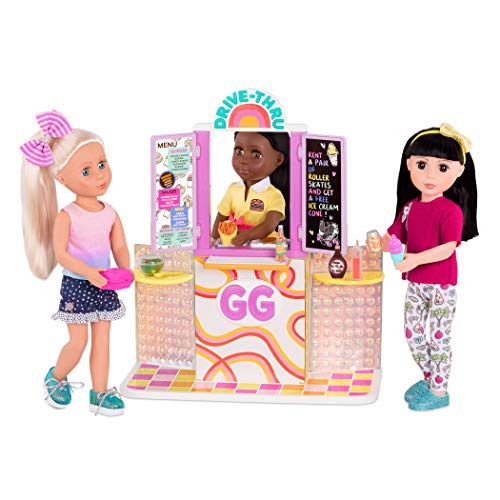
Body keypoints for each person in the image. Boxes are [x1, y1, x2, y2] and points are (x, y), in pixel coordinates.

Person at [20, 110, 130, 416]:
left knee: (103, 341)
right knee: (78, 341)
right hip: (77, 285)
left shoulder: (110, 212)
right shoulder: (67, 215)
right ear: (62, 179)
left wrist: (126, 269)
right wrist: (88, 272)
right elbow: (62, 255)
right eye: (86, 171)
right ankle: (56, 377)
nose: (99, 175)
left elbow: (119, 245)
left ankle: (99, 392)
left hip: (104, 283)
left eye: (102, 164)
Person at [383, 123, 478, 411]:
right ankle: (430, 379)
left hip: (441, 285)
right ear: (409, 165)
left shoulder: (450, 210)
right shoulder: (410, 207)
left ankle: (439, 390)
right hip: (416, 283)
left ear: (458, 171)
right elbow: (393, 236)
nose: (430, 175)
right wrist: (381, 242)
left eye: (442, 168)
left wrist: (414, 259)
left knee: (438, 338)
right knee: (412, 333)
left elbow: (448, 247)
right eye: (422, 165)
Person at [211, 131, 289, 247]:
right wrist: (216, 237)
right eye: (239, 151)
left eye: (256, 155)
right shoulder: (233, 189)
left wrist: (247, 235)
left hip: (264, 246)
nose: (243, 160)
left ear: (278, 160)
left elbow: (268, 226)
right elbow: (219, 224)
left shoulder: (274, 195)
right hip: (236, 242)